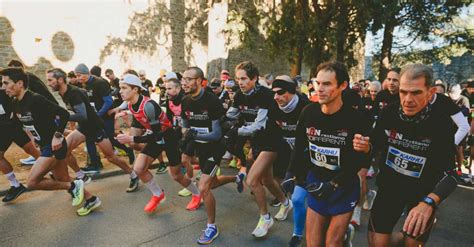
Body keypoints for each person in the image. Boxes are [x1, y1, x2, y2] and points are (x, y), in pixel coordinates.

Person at [353, 64, 459, 247]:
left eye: (416, 93)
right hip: (390, 188)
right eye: (403, 92)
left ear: (431, 92)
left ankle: (406, 237)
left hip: (422, 194)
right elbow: (375, 145)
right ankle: (401, 237)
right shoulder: (389, 112)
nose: (408, 99)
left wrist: (429, 202)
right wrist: (365, 147)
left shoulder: (442, 123)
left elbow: (451, 175)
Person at [290, 61, 370, 247]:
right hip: (317, 182)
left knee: (332, 244)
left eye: (327, 84)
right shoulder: (308, 112)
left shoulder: (355, 118)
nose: (320, 89)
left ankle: (341, 235)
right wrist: (291, 174)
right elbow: (300, 146)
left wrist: (335, 183)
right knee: (313, 244)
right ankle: (343, 235)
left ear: (342, 86)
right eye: (318, 83)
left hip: (344, 186)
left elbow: (361, 159)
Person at [1, 67, 100, 216]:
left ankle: (74, 186)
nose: (3, 87)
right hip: (45, 145)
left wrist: (58, 135)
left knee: (32, 182)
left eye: (6, 83)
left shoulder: (35, 99)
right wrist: (34, 138)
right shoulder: (16, 103)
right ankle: (91, 199)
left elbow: (64, 114)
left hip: (54, 146)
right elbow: (22, 123)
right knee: (63, 178)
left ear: (20, 83)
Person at [116, 74, 202, 211]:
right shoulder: (130, 104)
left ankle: (197, 194)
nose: (120, 91)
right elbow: (142, 125)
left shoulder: (149, 106)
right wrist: (127, 123)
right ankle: (158, 194)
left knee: (176, 175)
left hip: (168, 138)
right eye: (120, 88)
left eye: (124, 88)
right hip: (155, 138)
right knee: (138, 169)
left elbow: (156, 135)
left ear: (135, 90)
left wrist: (132, 139)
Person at [46, 68, 139, 193]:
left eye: (50, 80)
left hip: (95, 127)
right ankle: (81, 176)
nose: (48, 83)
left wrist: (63, 116)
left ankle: (133, 175)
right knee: (64, 150)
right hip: (84, 127)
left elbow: (82, 115)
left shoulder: (73, 93)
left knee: (111, 157)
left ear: (60, 79)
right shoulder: (64, 92)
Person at [226, 61, 292, 238]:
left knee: (252, 180)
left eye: (244, 78)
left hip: (271, 141)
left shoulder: (265, 95)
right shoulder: (239, 95)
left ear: (254, 78)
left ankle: (265, 217)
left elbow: (259, 126)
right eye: (238, 78)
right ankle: (286, 202)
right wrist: (223, 119)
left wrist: (235, 131)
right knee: (268, 180)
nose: (240, 82)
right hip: (256, 143)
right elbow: (230, 115)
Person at [180, 66, 237, 244]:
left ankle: (212, 227)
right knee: (212, 182)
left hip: (215, 147)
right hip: (200, 147)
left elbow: (216, 134)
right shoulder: (185, 101)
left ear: (199, 81)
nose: (184, 82)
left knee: (203, 187)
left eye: (189, 79)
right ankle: (237, 179)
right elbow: (185, 126)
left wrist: (194, 134)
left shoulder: (211, 101)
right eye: (183, 79)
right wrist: (185, 134)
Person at [270, 75, 310, 247]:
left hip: (312, 158)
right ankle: (298, 233)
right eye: (274, 93)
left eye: (280, 93)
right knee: (298, 198)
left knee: (309, 201)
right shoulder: (274, 107)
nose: (276, 97)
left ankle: (342, 231)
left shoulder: (306, 107)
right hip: (290, 155)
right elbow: (275, 133)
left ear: (292, 91)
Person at [75, 63, 135, 172]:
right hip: (94, 118)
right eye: (76, 76)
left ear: (87, 73)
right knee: (89, 139)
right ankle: (94, 164)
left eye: (80, 75)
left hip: (105, 116)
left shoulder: (100, 83)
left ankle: (128, 151)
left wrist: (98, 115)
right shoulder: (84, 85)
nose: (78, 78)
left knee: (110, 139)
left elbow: (109, 101)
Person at [0, 87, 40, 202]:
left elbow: (20, 97)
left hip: (14, 127)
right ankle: (15, 185)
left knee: (33, 151)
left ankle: (54, 171)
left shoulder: (4, 90)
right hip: (3, 131)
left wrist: (17, 111)